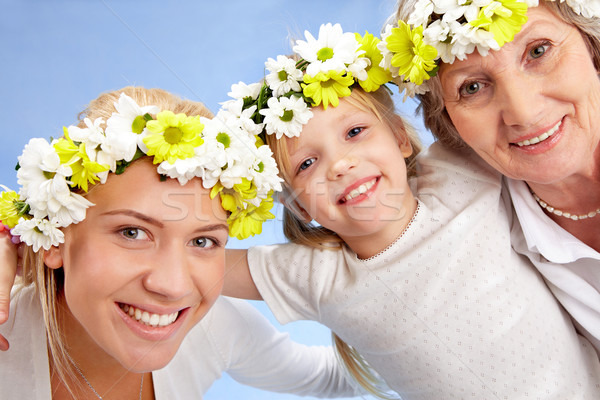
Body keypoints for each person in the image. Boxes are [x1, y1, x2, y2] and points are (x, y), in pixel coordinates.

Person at [217, 24, 600, 398]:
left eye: (354, 133)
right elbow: (189, 262)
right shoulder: (316, 276)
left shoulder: (456, 176)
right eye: (306, 164)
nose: (339, 165)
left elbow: (473, 82)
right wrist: (197, 157)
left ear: (400, 137)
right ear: (300, 205)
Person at [0, 86, 360, 399]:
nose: (172, 287)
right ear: (54, 239)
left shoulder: (214, 328)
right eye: (132, 233)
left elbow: (340, 374)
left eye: (203, 241)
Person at [385, 0, 600, 352]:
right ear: (449, 122)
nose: (524, 113)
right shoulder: (468, 227)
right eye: (472, 87)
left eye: (538, 51)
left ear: (591, 45)